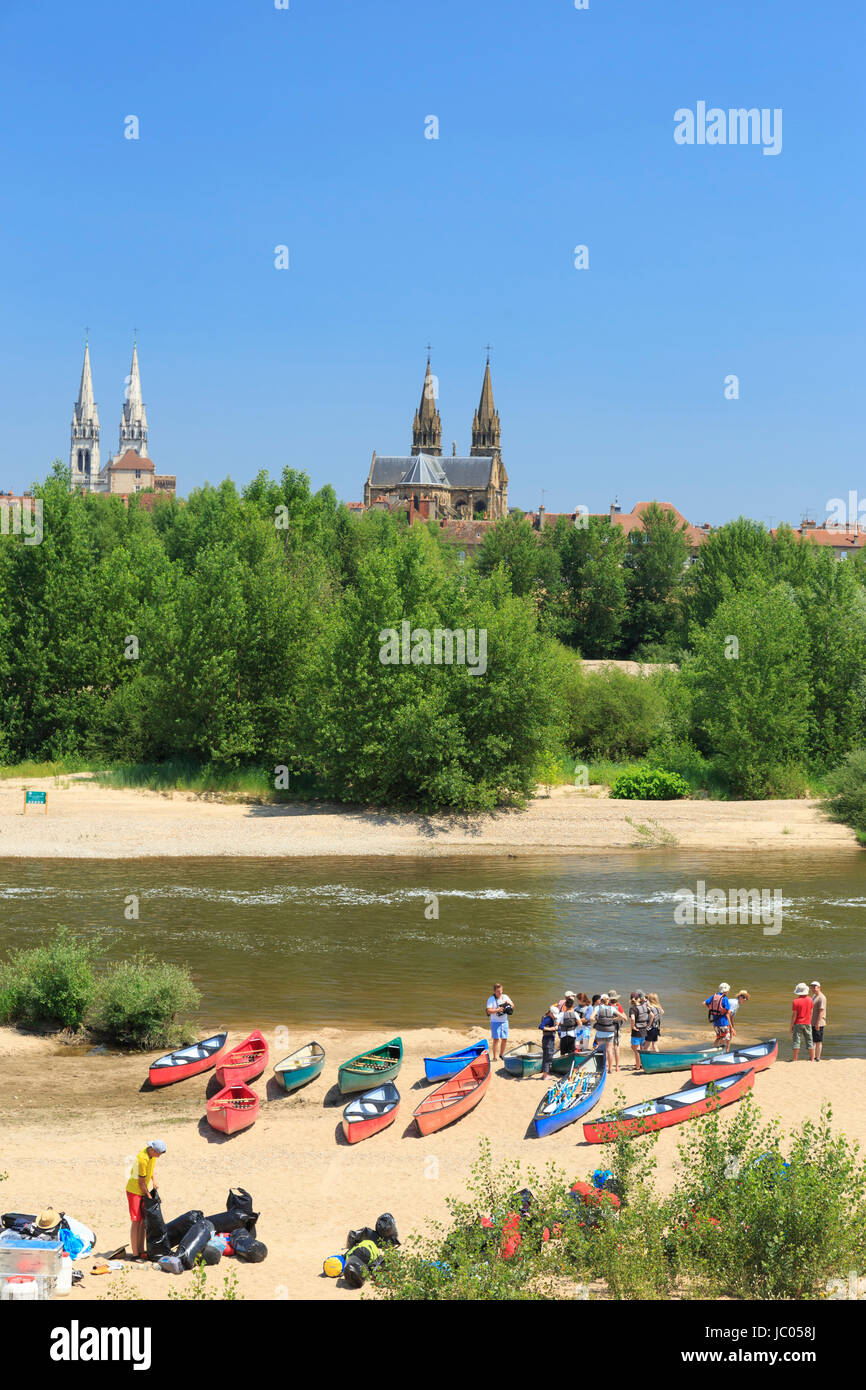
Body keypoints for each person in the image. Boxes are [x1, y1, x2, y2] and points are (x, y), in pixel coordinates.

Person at [126, 1140, 166, 1261]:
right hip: (134, 1191)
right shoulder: (142, 1159)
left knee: (143, 1221)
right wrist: (149, 1196)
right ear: (153, 1150)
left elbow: (151, 1169)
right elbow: (141, 1182)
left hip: (142, 1189)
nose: (159, 1156)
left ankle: (141, 1250)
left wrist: (154, 1180)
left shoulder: (151, 1155)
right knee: (136, 1221)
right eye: (158, 1153)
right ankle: (135, 1254)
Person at [486, 983, 514, 1062]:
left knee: (504, 1039)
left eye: (501, 991)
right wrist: (497, 1010)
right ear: (494, 991)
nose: (500, 993)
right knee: (496, 1039)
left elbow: (513, 1005)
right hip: (495, 1021)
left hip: (504, 1021)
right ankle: (495, 1057)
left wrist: (508, 1005)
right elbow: (488, 1010)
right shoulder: (491, 999)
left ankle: (501, 1054)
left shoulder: (505, 997)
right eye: (498, 991)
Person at [591, 994, 619, 1074]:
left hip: (600, 1033)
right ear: (608, 1000)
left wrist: (596, 1019)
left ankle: (603, 1068)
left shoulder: (597, 1008)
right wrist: (614, 1019)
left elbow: (591, 1017)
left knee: (602, 1051)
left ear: (601, 1000)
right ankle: (610, 1069)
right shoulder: (612, 1008)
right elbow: (622, 1017)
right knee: (609, 1050)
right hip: (610, 1033)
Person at [703, 982, 733, 1048]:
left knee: (719, 1037)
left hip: (715, 1023)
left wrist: (710, 1008)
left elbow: (704, 1003)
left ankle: (714, 1049)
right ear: (726, 990)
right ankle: (725, 1052)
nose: (729, 991)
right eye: (728, 990)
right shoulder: (725, 998)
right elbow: (728, 1012)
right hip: (723, 1023)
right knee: (727, 1038)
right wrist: (731, 1026)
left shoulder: (713, 996)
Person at [791, 982, 815, 1062]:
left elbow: (794, 1015)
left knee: (796, 1041)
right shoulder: (810, 1000)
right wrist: (809, 1021)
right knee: (809, 1040)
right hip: (807, 1023)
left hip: (798, 1023)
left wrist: (791, 1026)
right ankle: (812, 1058)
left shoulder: (795, 1001)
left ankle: (795, 1059)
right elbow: (811, 1012)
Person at [628, 991, 651, 1071]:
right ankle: (640, 1064)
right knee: (640, 1048)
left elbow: (633, 1019)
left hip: (636, 1031)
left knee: (637, 1050)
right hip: (644, 1030)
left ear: (631, 999)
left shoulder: (633, 1009)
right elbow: (652, 1015)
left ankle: (638, 1066)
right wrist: (649, 1024)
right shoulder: (644, 1007)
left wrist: (633, 1026)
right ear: (639, 999)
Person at [537, 1005, 560, 1079]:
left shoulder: (550, 1018)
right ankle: (545, 1075)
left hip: (549, 1039)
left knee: (548, 1055)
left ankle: (545, 1073)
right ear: (550, 1013)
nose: (554, 1017)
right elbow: (540, 1026)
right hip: (548, 1040)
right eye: (554, 1015)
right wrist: (551, 1029)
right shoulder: (548, 1019)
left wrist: (556, 1027)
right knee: (547, 1056)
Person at [607, 991, 628, 1071]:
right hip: (617, 1028)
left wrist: (612, 1019)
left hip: (608, 1029)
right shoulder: (618, 1006)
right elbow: (625, 1018)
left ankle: (608, 1066)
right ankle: (617, 1066)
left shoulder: (606, 1006)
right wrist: (617, 1018)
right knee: (616, 1047)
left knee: (609, 1048)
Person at [810, 981, 826, 1060]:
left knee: (818, 1040)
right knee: (813, 1040)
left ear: (819, 987)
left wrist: (817, 1023)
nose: (813, 989)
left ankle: (818, 1057)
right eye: (812, 987)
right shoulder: (814, 996)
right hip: (813, 1021)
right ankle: (813, 1057)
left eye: (814, 987)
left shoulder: (821, 997)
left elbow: (821, 1011)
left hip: (819, 1022)